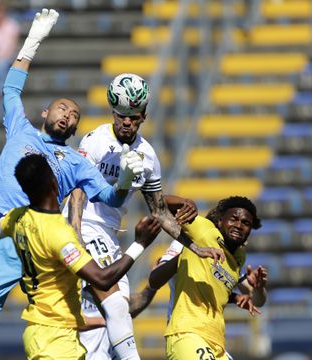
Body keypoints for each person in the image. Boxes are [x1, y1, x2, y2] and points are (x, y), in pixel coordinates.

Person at [0, 9, 146, 360]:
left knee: (63, 326)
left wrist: (124, 180)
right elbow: (11, 88)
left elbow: (108, 196)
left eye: (75, 115)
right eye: (63, 109)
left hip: (44, 243)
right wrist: (33, 41)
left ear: (75, 129)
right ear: (45, 112)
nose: (68, 115)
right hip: (4, 234)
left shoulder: (76, 161)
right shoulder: (20, 128)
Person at [65, 74, 224, 359]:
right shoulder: (96, 140)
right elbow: (77, 191)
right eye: (121, 116)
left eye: (133, 117)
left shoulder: (147, 155)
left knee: (121, 309)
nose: (127, 122)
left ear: (144, 116)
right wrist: (76, 235)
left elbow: (160, 210)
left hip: (111, 234)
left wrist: (197, 247)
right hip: (86, 225)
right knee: (113, 305)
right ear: (113, 113)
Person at [0, 153, 162, 359]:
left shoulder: (16, 217)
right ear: (53, 182)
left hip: (49, 333)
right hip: (54, 343)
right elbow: (103, 279)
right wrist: (140, 243)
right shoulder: (59, 234)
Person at [139, 196, 267, 360]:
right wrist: (184, 202)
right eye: (233, 219)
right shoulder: (201, 232)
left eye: (246, 223)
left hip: (216, 341)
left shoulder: (238, 258)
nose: (239, 226)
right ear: (220, 221)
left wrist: (258, 288)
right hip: (187, 332)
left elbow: (258, 301)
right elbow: (157, 204)